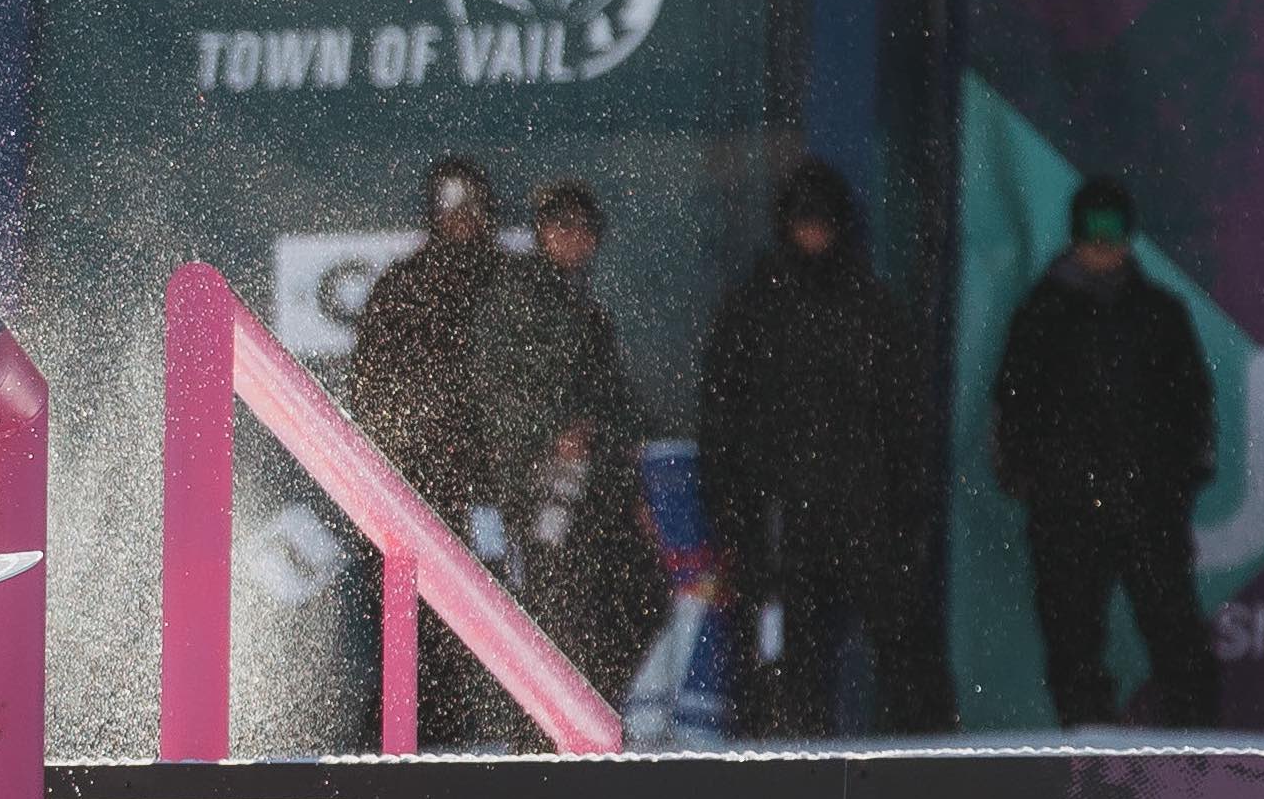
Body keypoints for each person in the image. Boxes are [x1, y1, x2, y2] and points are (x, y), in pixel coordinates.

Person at [699, 156, 946, 737]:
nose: (813, 234)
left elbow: (906, 414)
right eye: (803, 221)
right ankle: (789, 758)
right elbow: (722, 417)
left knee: (902, 639)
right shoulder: (754, 306)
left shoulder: (870, 306)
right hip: (782, 513)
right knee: (787, 651)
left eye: (823, 222)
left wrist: (908, 502)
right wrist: (733, 513)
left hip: (862, 509)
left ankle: (922, 761)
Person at [988, 172, 1217, 727]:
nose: (1103, 243)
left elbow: (1193, 405)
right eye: (1092, 230)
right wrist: (1031, 479)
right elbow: (1010, 405)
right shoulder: (1041, 314)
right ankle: (1086, 754)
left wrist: (1178, 480)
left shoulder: (1159, 314)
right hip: (1067, 510)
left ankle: (1198, 756)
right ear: (1073, 234)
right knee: (1072, 638)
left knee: (1175, 633)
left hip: (1148, 505)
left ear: (1129, 235)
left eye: (1113, 230)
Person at [470, 181, 666, 699]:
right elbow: (494, 387)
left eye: (584, 229)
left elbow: (615, 407)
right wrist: (550, 436)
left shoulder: (590, 312)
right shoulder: (516, 296)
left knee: (642, 593)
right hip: (543, 487)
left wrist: (632, 492)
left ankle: (587, 715)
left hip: (597, 487)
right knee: (554, 612)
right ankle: (546, 733)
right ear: (540, 232)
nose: (573, 238)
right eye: (561, 226)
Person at [337, 157, 507, 536]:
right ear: (433, 212)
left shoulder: (512, 283)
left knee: (497, 585)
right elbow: (371, 385)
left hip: (500, 473)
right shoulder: (402, 286)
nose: (462, 218)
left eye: (471, 206)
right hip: (422, 474)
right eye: (450, 206)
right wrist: (404, 453)